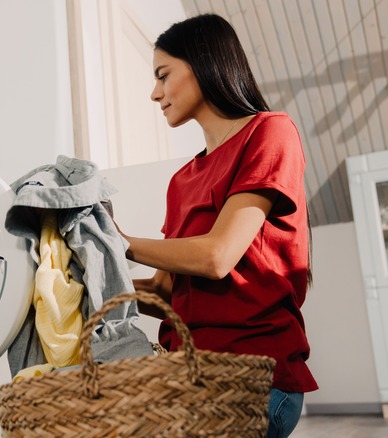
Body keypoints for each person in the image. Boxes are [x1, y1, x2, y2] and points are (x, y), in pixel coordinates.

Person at [117, 13, 318, 438]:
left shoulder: (270, 133)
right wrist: (87, 279)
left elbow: (217, 256)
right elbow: (166, 292)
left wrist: (121, 244)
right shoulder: (181, 181)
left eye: (163, 75)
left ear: (203, 63)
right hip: (187, 378)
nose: (155, 93)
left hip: (250, 380)